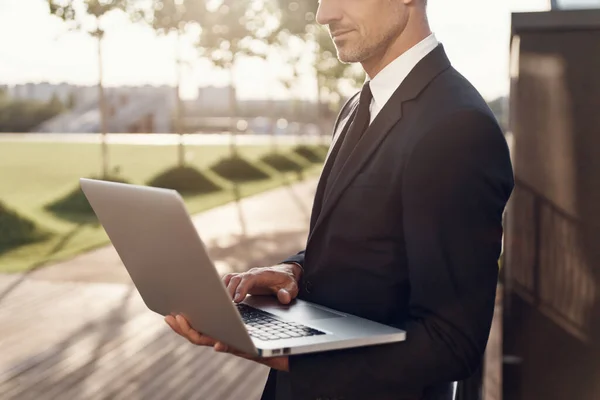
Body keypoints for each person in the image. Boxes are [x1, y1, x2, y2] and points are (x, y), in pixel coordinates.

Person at [165, 0, 515, 398]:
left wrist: (283, 354)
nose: (323, 14)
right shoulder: (356, 106)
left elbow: (451, 343)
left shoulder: (457, 128)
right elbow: (369, 238)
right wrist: (294, 270)